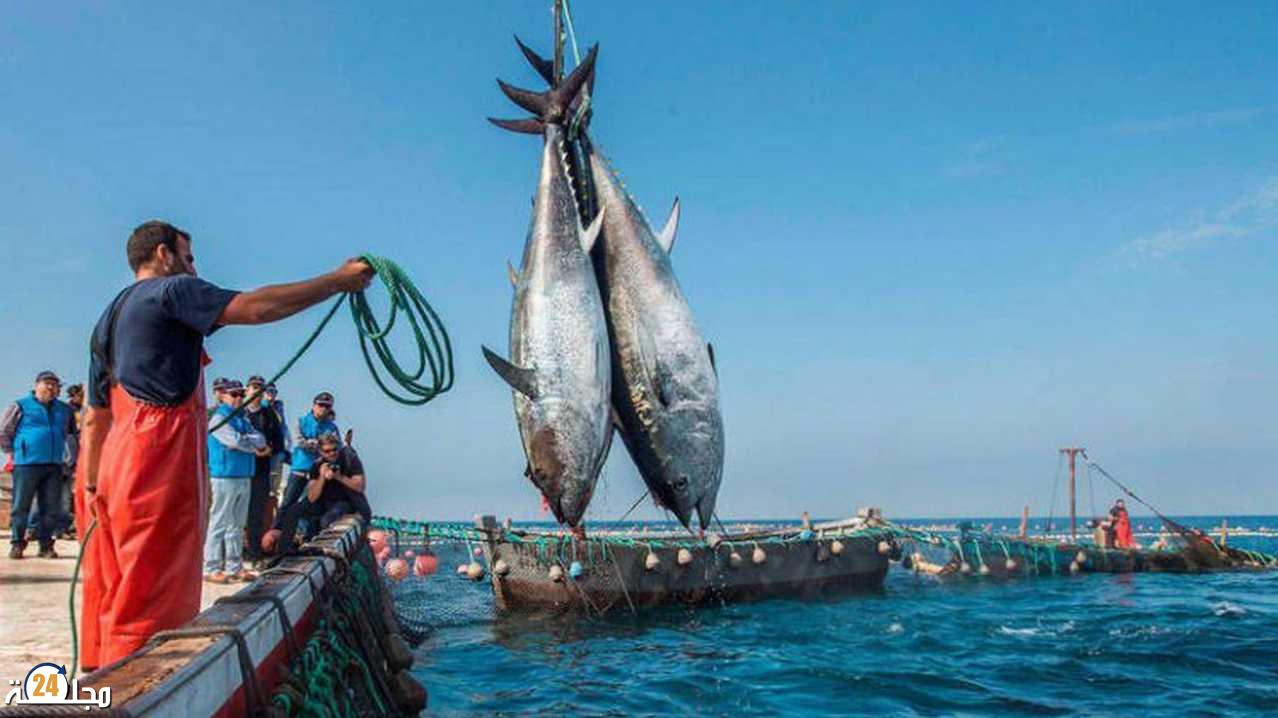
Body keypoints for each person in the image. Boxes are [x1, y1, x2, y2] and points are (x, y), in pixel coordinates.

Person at [76, 220, 372, 670]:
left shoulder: (110, 315)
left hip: (111, 462)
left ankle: (101, 676)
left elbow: (95, 416)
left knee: (116, 583)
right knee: (152, 589)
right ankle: (138, 686)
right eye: (189, 257)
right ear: (162, 254)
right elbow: (256, 309)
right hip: (153, 459)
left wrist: (95, 487)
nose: (194, 269)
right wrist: (337, 281)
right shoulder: (171, 291)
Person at [1, 371, 75, 558]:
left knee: (51, 508)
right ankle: (17, 543)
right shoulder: (20, 406)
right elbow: (4, 431)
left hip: (54, 465)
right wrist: (14, 453)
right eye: (46, 383)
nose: (50, 388)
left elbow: (72, 436)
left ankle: (46, 545)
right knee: (21, 506)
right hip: (26, 464)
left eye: (54, 384)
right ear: (36, 386)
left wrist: (69, 461)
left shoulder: (65, 410)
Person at [262, 433, 371, 554]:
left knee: (327, 520)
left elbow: (360, 486)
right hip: (323, 502)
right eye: (327, 451)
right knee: (292, 512)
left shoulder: (350, 459)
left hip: (345, 502)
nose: (332, 453)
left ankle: (324, 550)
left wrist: (339, 477)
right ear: (321, 452)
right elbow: (312, 497)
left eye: (335, 449)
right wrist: (322, 477)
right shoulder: (317, 465)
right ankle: (284, 551)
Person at [203, 379, 265, 583]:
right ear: (224, 395)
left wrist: (245, 441)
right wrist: (248, 443)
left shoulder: (243, 419)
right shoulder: (219, 418)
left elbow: (260, 440)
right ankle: (211, 567)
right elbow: (235, 441)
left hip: (243, 474)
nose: (238, 398)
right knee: (219, 521)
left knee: (237, 524)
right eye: (234, 394)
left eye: (240, 394)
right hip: (224, 476)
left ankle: (234, 567)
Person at [279, 392, 340, 531]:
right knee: (288, 502)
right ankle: (278, 531)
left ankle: (307, 536)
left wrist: (314, 444)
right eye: (321, 405)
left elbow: (336, 448)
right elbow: (300, 442)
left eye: (327, 406)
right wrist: (320, 445)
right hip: (300, 469)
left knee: (312, 505)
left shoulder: (332, 427)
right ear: (314, 405)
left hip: (318, 473)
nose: (323, 408)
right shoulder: (301, 421)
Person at [242, 375, 285, 568]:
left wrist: (267, 450)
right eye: (254, 388)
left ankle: (254, 555)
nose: (257, 392)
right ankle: (233, 555)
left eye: (260, 388)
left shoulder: (269, 415)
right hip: (239, 470)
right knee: (235, 515)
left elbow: (278, 443)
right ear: (247, 389)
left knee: (257, 513)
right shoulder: (238, 413)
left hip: (260, 471)